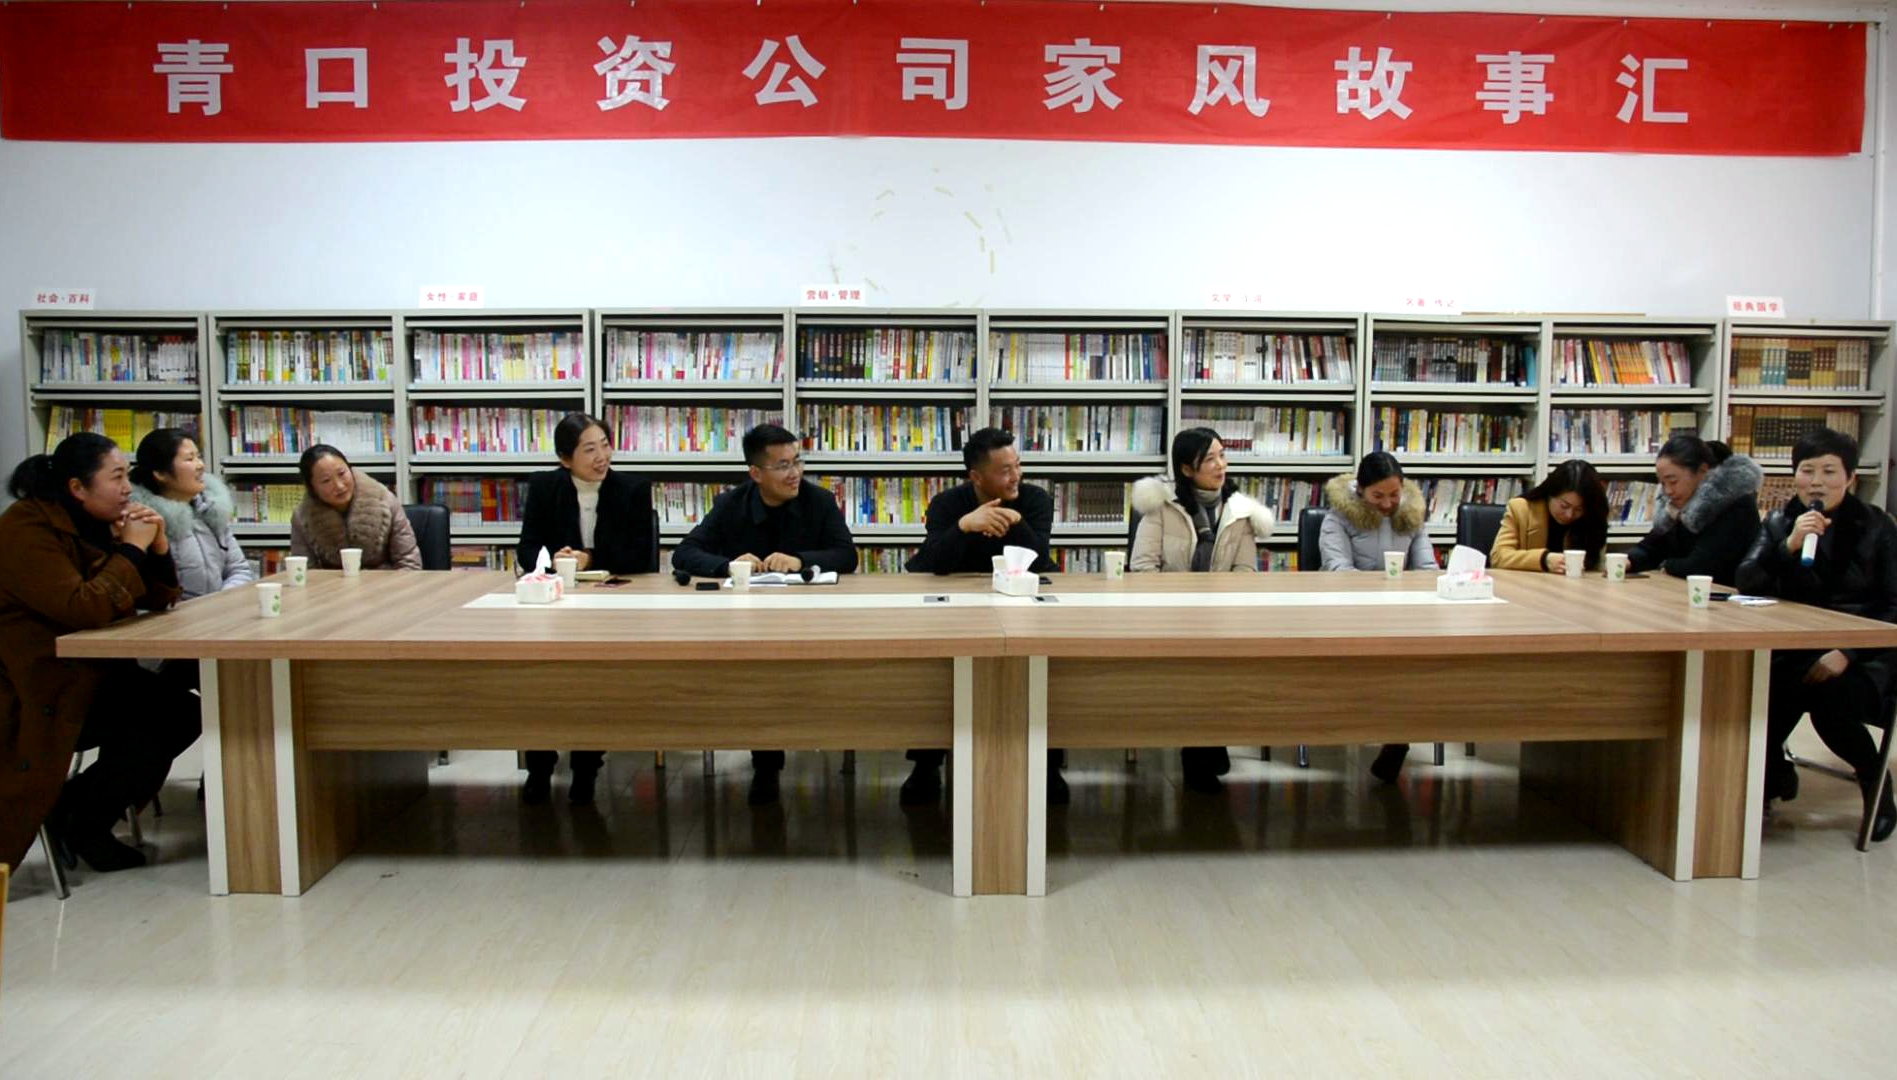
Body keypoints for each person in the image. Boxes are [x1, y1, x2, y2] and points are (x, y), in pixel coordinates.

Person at [0, 433, 200, 874]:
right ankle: (83, 821)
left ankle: (75, 810)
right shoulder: (26, 529)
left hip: (93, 673)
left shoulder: (95, 520)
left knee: (181, 711)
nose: (128, 489)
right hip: (39, 691)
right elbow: (83, 607)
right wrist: (131, 547)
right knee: (163, 716)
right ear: (77, 487)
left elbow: (158, 598)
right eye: (117, 478)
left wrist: (157, 548)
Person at [673, 423, 858, 806]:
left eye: (797, 462)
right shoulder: (731, 504)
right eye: (783, 465)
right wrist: (728, 565)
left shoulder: (819, 501)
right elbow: (685, 553)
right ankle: (766, 765)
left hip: (810, 622)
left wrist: (801, 560)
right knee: (757, 678)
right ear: (756, 473)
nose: (795, 473)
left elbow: (846, 555)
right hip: (746, 624)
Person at [1737, 428, 1897, 843]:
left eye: (1829, 471)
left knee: (1831, 702)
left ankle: (1876, 786)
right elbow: (1746, 580)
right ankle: (1774, 775)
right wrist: (1787, 546)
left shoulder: (1877, 526)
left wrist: (1847, 651)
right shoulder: (1780, 522)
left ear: (1851, 478)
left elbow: (1893, 606)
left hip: (1866, 656)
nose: (1817, 482)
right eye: (1807, 471)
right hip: (1796, 650)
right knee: (1752, 697)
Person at [902, 427, 1066, 807]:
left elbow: (1040, 558)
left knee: (1045, 668)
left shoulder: (1035, 499)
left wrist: (1015, 521)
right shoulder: (947, 504)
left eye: (1018, 465)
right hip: (956, 607)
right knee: (936, 673)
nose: (1016, 476)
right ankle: (926, 763)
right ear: (976, 477)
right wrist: (965, 526)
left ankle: (1048, 763)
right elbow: (931, 563)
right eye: (1005, 470)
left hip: (1023, 603)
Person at [514, 412, 655, 806]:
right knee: (540, 681)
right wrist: (553, 558)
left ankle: (586, 769)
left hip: (613, 605)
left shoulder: (632, 489)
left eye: (605, 445)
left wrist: (589, 558)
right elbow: (527, 548)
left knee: (593, 683)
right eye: (589, 449)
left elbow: (639, 555)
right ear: (565, 459)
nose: (601, 457)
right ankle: (539, 768)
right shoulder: (544, 487)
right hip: (557, 602)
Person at [1129, 427, 1275, 793]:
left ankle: (1207, 740)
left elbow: (1245, 572)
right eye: (1209, 459)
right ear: (1186, 468)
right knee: (1194, 663)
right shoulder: (1162, 507)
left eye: (1222, 455)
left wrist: (1218, 607)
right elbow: (1143, 567)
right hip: (1169, 616)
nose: (1221, 465)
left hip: (1222, 616)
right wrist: (1180, 605)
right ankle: (1201, 748)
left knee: (1220, 661)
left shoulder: (1240, 512)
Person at [1321, 451, 1438, 782]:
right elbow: (1338, 571)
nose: (1387, 504)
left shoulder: (1412, 516)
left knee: (1417, 668)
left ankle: (1399, 736)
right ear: (1360, 489)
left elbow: (1427, 569)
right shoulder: (1337, 519)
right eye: (1378, 496)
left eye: (1394, 495)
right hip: (1350, 615)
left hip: (1403, 615)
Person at [129, 427, 253, 600]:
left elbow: (239, 570)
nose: (200, 465)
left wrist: (220, 603)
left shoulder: (211, 510)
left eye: (199, 457)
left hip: (219, 611)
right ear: (160, 473)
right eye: (189, 459)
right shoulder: (145, 521)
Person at [1626, 435, 1761, 586]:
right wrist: (1629, 560)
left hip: (1725, 594)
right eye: (1663, 483)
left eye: (1673, 481)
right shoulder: (1678, 504)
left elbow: (1703, 566)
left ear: (1702, 471)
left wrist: (1667, 565)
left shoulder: (1735, 505)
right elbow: (1652, 546)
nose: (1668, 491)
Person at [289, 444, 422, 571]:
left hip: (387, 583)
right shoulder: (302, 517)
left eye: (342, 473)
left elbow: (409, 563)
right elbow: (305, 571)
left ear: (351, 470)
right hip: (334, 585)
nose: (339, 486)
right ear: (312, 488)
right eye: (326, 481)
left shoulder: (385, 501)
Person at [1488, 459, 1610, 574]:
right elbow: (1498, 557)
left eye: (1579, 509)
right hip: (1527, 585)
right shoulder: (1521, 509)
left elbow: (1596, 567)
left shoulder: (1593, 517)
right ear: (1550, 493)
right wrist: (1544, 559)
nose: (1569, 515)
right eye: (1564, 506)